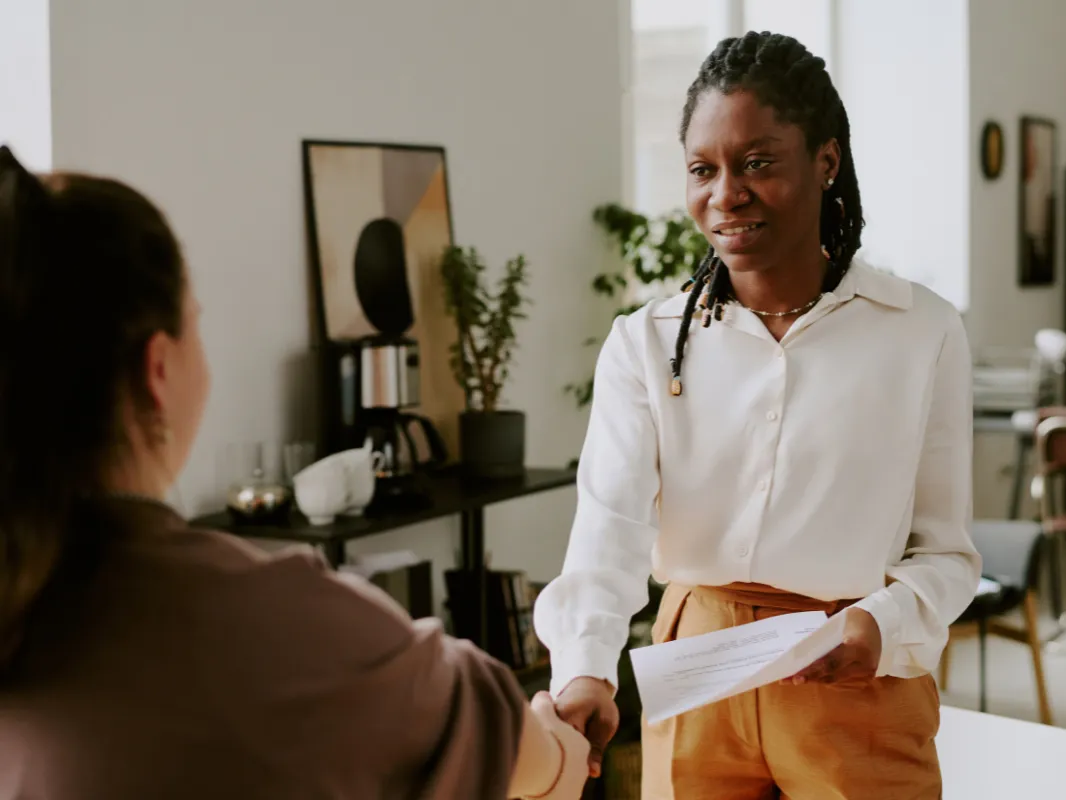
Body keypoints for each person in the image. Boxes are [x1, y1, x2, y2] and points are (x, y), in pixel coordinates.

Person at [0, 145, 588, 800]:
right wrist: (552, 734)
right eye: (196, 325)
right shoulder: (296, 632)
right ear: (157, 368)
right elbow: (533, 765)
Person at [533, 31, 981, 799]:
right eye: (703, 170)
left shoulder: (922, 331)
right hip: (697, 675)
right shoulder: (645, 345)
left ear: (826, 162)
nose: (726, 194)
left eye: (758, 163)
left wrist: (879, 625)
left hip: (853, 667)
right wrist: (585, 671)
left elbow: (946, 554)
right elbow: (606, 539)